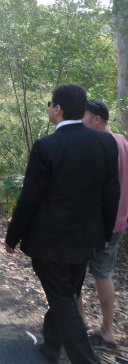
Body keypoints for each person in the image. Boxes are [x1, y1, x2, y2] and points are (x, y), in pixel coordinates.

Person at [5, 85, 119, 364]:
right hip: (87, 240)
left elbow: (30, 198)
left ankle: (85, 359)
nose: (48, 108)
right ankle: (51, 345)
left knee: (62, 298)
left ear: (58, 109)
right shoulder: (105, 143)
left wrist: (13, 236)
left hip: (50, 243)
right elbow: (111, 193)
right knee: (67, 294)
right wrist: (105, 233)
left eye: (50, 104)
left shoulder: (47, 146)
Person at [77, 99, 128, 346]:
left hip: (95, 222)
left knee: (73, 269)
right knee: (104, 272)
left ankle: (79, 318)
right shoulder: (123, 141)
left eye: (84, 117)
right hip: (119, 221)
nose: (81, 122)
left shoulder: (96, 144)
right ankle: (107, 329)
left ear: (95, 119)